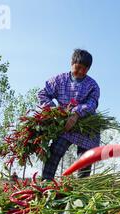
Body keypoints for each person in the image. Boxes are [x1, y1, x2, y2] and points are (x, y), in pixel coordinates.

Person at [37, 49, 100, 180]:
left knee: (85, 161)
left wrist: (76, 113)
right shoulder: (59, 80)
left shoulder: (92, 85)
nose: (81, 72)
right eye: (78, 68)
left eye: (85, 69)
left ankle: (80, 192)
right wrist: (55, 111)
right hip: (66, 125)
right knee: (54, 153)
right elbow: (42, 94)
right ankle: (45, 185)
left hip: (86, 127)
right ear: (72, 63)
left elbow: (92, 103)